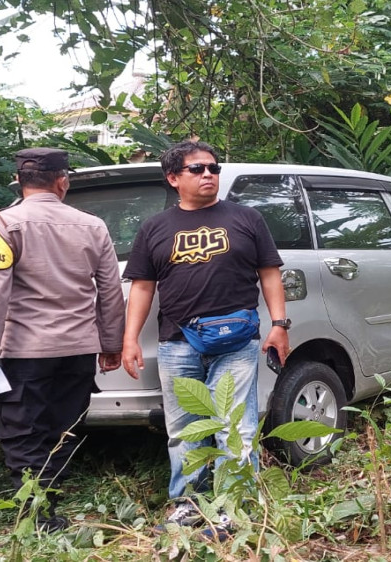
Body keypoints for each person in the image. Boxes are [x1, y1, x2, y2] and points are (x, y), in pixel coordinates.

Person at [121, 140, 291, 534]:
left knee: (237, 426)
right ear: (173, 178)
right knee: (183, 429)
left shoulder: (247, 219)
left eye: (213, 168)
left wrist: (279, 326)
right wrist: (130, 339)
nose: (208, 175)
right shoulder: (155, 228)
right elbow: (143, 287)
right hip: (177, 343)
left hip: (237, 341)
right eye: (197, 169)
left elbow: (270, 274)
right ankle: (188, 506)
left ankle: (233, 508)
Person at [0, 147, 125, 532]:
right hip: (78, 350)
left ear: (19, 181)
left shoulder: (3, 223)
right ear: (62, 181)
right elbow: (110, 290)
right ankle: (46, 508)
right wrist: (111, 343)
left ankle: (36, 515)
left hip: (25, 350)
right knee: (61, 429)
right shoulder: (93, 225)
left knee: (23, 431)